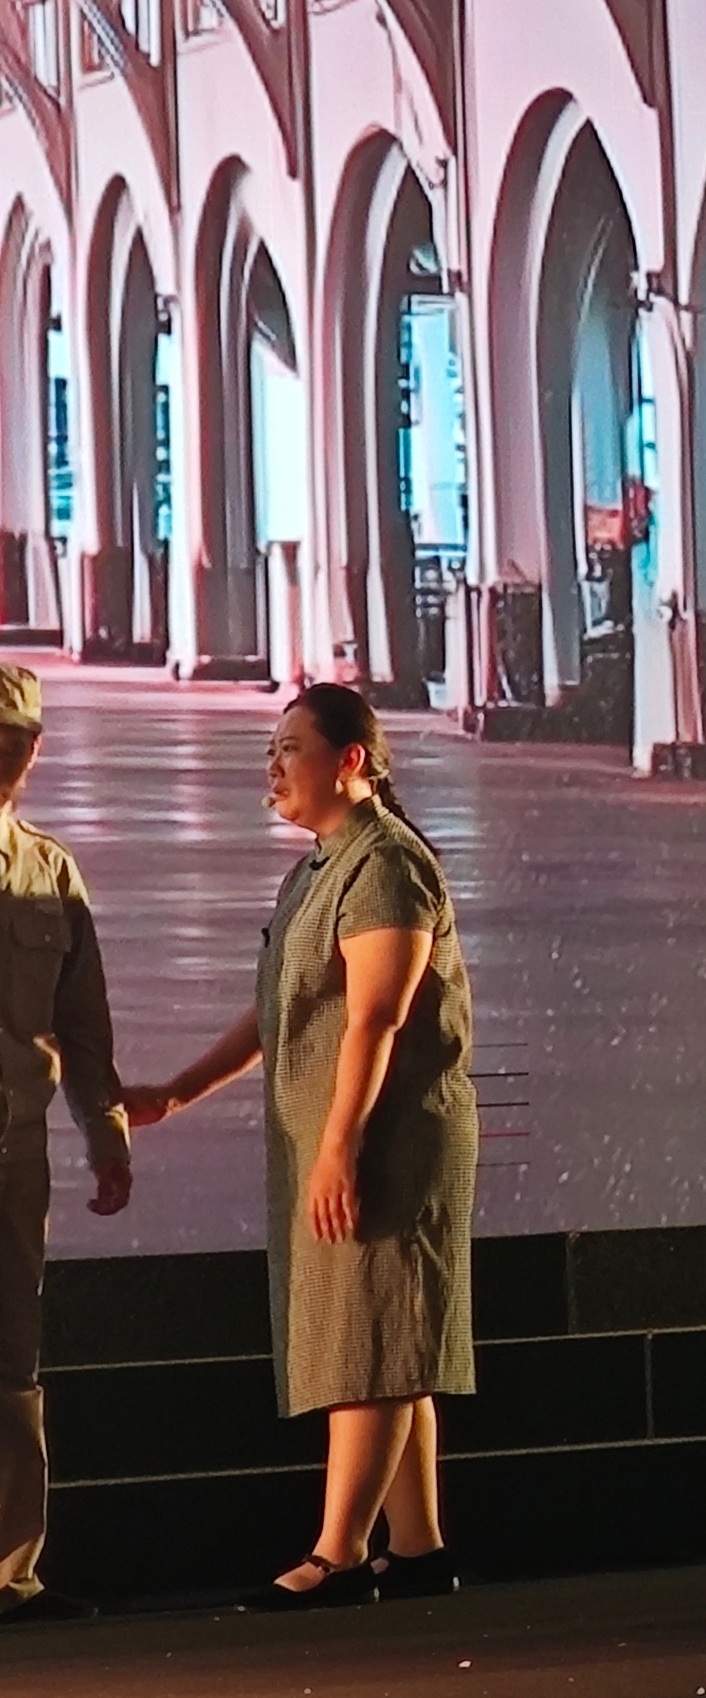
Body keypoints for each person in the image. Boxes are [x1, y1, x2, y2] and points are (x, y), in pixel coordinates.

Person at [126, 684, 482, 1605]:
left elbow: (375, 1018)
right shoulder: (318, 871)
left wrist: (339, 1147)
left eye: (292, 747)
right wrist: (178, 1090)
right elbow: (278, 1008)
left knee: (371, 1338)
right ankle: (419, 1548)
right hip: (336, 1139)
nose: (273, 765)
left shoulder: (387, 866)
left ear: (350, 761)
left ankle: (338, 1554)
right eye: (272, 749)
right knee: (386, 1333)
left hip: (387, 1141)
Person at [0, 663, 126, 1628]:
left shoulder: (49, 872)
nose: (5, 757)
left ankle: (10, 1576)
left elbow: (84, 1026)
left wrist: (105, 1131)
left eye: (16, 742)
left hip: (13, 1153)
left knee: (12, 1361)